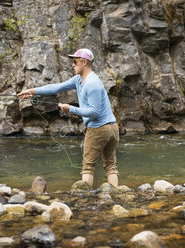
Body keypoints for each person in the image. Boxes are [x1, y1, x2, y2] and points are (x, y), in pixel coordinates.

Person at [17, 48, 119, 188]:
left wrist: (70, 109)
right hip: (112, 128)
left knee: (88, 167)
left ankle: (84, 199)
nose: (72, 64)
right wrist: (32, 91)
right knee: (110, 165)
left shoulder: (92, 84)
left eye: (75, 61)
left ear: (84, 62)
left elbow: (95, 112)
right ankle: (115, 195)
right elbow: (56, 87)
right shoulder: (79, 79)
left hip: (99, 129)